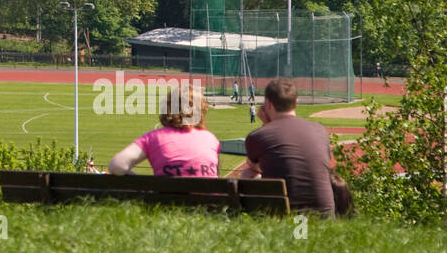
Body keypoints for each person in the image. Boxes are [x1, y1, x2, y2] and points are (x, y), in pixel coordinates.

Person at [242, 78, 336, 215]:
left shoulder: (257, 136)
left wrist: (267, 125)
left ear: (268, 104)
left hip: (291, 218)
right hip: (325, 213)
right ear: (296, 102)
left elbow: (253, 166)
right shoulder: (320, 130)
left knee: (248, 173)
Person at [108, 84, 219, 177]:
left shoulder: (153, 138)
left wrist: (142, 183)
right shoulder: (210, 139)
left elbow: (117, 166)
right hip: (209, 202)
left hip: (165, 201)